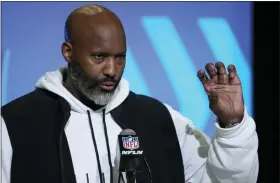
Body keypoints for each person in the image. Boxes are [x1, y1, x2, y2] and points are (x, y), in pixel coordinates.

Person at [1, 4, 258, 183]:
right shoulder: (13, 124)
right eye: (99, 57)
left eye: (120, 58)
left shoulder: (162, 119)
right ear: (68, 52)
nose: (112, 70)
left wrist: (233, 127)